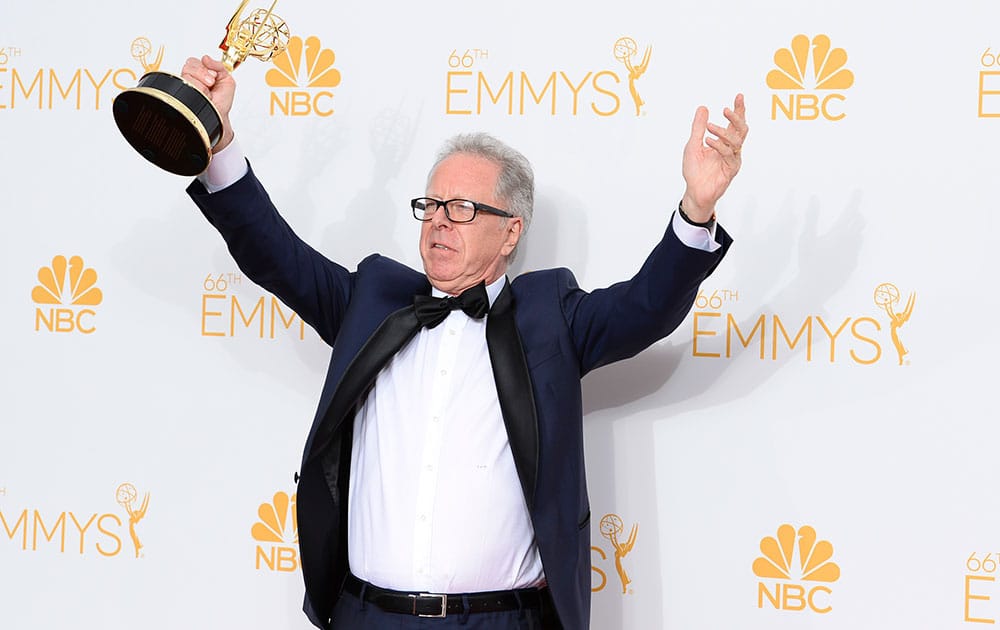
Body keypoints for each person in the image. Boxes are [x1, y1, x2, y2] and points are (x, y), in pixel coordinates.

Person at [181, 53, 747, 630]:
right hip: (364, 616)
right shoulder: (371, 299)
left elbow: (646, 306)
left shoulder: (552, 317)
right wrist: (220, 141)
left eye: (463, 209)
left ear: (511, 232)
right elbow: (275, 254)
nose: (438, 222)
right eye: (431, 206)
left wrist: (696, 209)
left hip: (502, 621)